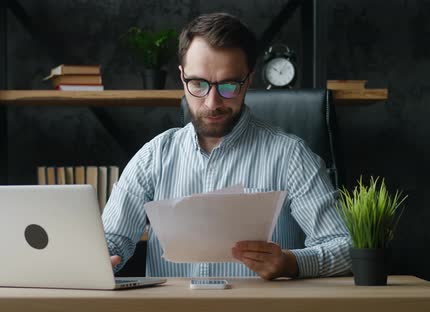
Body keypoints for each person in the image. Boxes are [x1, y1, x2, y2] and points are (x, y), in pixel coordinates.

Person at [102, 12, 351, 280]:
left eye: (229, 85)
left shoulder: (292, 157)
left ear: (249, 79)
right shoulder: (153, 157)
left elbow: (345, 248)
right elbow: (110, 241)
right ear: (182, 76)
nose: (212, 103)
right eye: (198, 84)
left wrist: (292, 263)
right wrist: (100, 257)